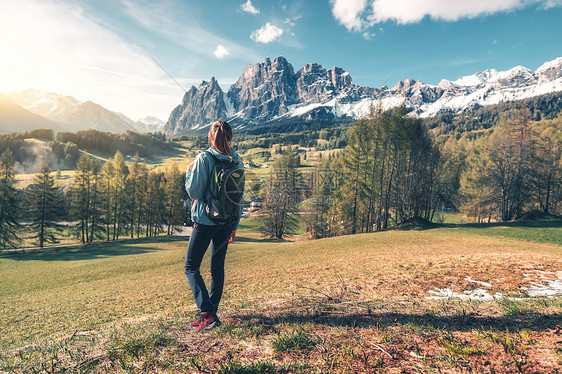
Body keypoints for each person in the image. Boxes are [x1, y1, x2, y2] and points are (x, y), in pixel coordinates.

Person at [184, 120, 244, 333]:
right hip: (226, 222)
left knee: (191, 268)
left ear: (210, 137)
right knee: (216, 268)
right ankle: (210, 312)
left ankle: (207, 314)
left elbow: (194, 193)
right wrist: (234, 226)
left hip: (205, 222)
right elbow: (239, 198)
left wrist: (189, 172)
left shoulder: (203, 158)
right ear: (231, 138)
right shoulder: (237, 161)